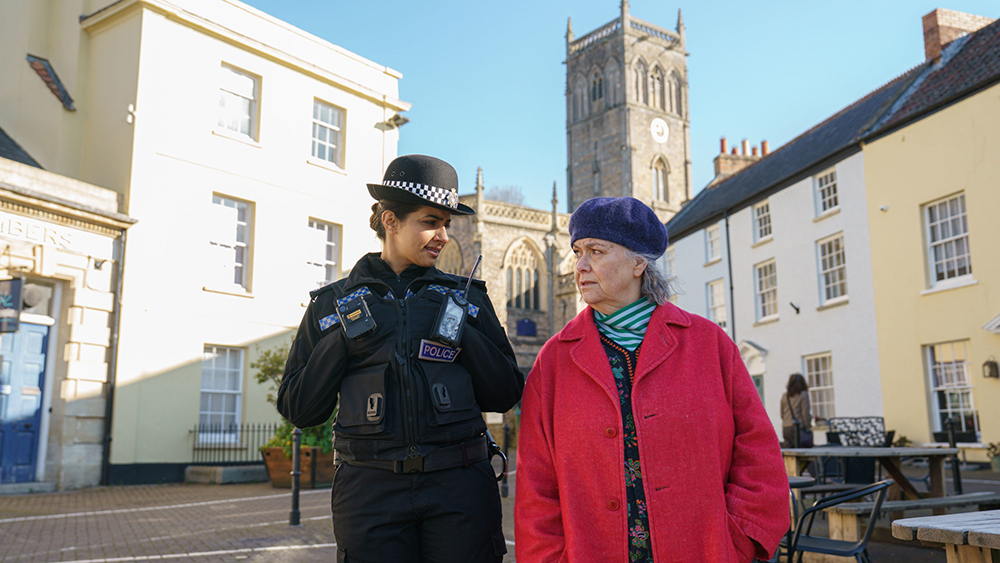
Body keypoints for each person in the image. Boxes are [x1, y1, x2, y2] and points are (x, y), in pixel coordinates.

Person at [278, 154, 524, 563]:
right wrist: (342, 339)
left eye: (446, 223)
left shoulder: (468, 299)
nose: (443, 235)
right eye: (430, 221)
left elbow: (504, 393)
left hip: (460, 488)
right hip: (369, 493)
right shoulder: (333, 304)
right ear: (390, 221)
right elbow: (300, 408)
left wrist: (460, 329)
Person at [515, 197, 790, 563]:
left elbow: (758, 452)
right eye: (578, 252)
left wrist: (737, 540)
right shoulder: (553, 361)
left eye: (596, 251)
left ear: (639, 262)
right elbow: (536, 484)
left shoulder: (709, 344)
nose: (580, 266)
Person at [780, 373, 813, 448]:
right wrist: (807, 427)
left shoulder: (785, 396)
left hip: (786, 427)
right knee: (803, 453)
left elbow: (782, 414)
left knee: (789, 453)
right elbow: (805, 414)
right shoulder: (803, 394)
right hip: (797, 428)